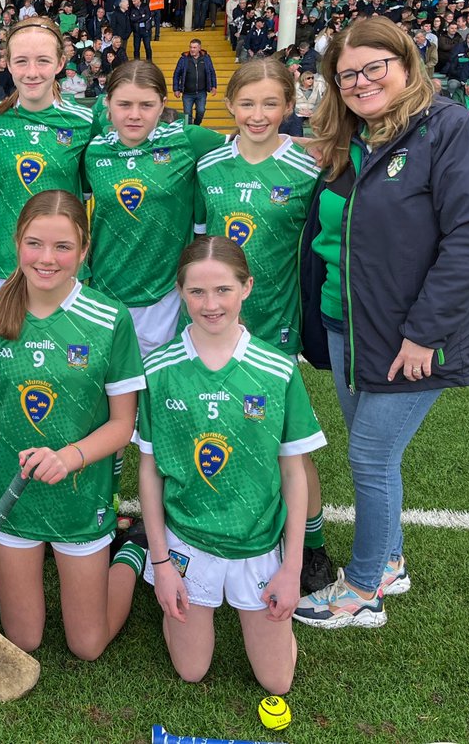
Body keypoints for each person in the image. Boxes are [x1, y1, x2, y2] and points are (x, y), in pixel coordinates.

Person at [296, 16, 469, 629]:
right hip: (346, 327)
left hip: (408, 336)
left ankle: (361, 591)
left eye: (373, 68)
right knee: (377, 457)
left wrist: (424, 334)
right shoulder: (352, 141)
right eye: (347, 74)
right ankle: (388, 562)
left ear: (407, 65)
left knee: (368, 457)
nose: (360, 82)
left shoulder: (453, 131)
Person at [135, 236, 325, 695]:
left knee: (276, 682)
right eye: (197, 291)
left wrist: (292, 566)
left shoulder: (277, 369)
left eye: (222, 289)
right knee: (192, 670)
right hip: (188, 540)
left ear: (247, 288)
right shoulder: (158, 369)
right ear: (180, 292)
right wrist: (161, 563)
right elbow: (149, 471)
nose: (210, 303)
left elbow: (293, 474)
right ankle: (140, 557)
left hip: (256, 542)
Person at [0, 190, 145, 661]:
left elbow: (123, 423)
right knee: (24, 640)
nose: (47, 259)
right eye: (35, 244)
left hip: (80, 493)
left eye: (63, 247)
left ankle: (131, 551)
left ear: (84, 251)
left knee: (87, 646)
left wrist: (68, 457)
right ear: (16, 242)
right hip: (12, 492)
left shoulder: (110, 318)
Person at [193, 57, 332, 594]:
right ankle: (224, 525)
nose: (258, 114)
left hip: (274, 327)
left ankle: (314, 546)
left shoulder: (306, 170)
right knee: (219, 428)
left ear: (290, 107)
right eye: (247, 103)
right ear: (229, 105)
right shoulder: (210, 167)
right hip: (213, 324)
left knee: (286, 444)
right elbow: (203, 247)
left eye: (271, 103)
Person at [84, 60, 224, 357]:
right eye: (124, 104)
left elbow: (251, 145)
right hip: (105, 287)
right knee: (113, 387)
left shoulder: (186, 140)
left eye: (146, 105)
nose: (134, 115)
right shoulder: (94, 149)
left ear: (162, 105)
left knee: (158, 386)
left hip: (164, 293)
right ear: (108, 104)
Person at [0, 17, 95, 301]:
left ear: (59, 64)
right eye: (21, 61)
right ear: (7, 63)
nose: (32, 72)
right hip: (2, 262)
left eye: (43, 61)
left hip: (62, 266)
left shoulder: (85, 121)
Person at [172, 39, 218, 126]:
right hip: (187, 93)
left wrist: (214, 86)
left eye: (194, 47)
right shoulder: (183, 59)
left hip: (201, 92)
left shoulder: (206, 58)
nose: (192, 49)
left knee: (201, 111)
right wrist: (176, 89)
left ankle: (196, 126)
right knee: (187, 114)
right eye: (191, 47)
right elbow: (176, 74)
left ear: (199, 48)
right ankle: (190, 130)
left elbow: (212, 72)